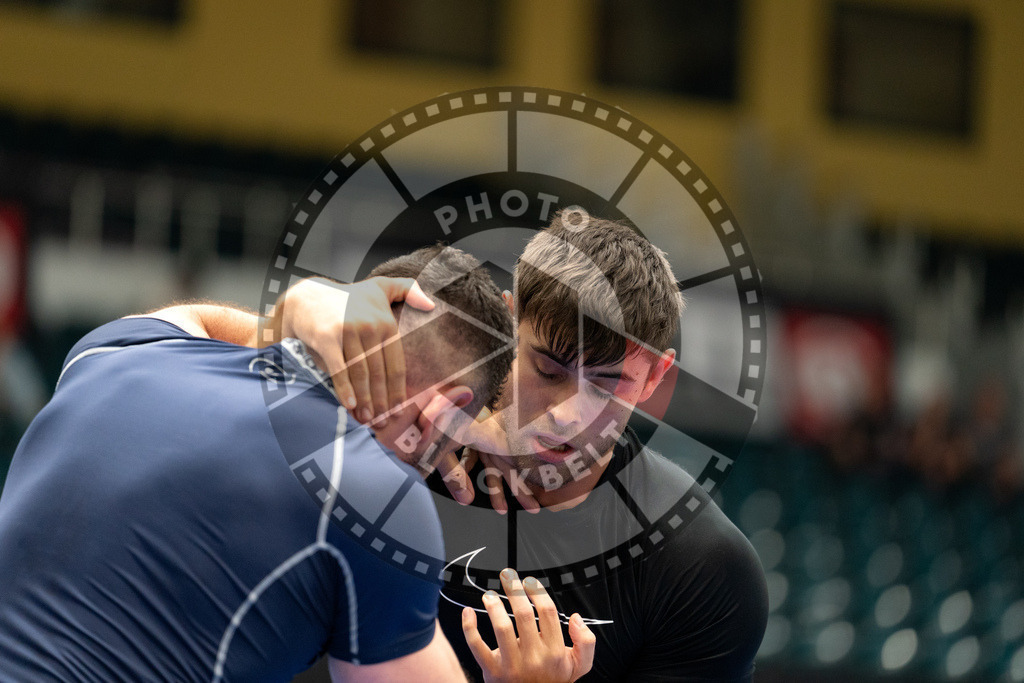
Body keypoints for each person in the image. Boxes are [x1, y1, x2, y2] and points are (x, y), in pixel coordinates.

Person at [0, 245, 595, 682]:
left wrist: (299, 307)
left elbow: (200, 322)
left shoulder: (114, 352)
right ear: (443, 415)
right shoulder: (375, 503)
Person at [425, 212, 769, 681]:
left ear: (655, 377)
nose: (567, 416)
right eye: (548, 371)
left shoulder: (700, 567)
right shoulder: (408, 435)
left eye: (606, 386)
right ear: (507, 324)